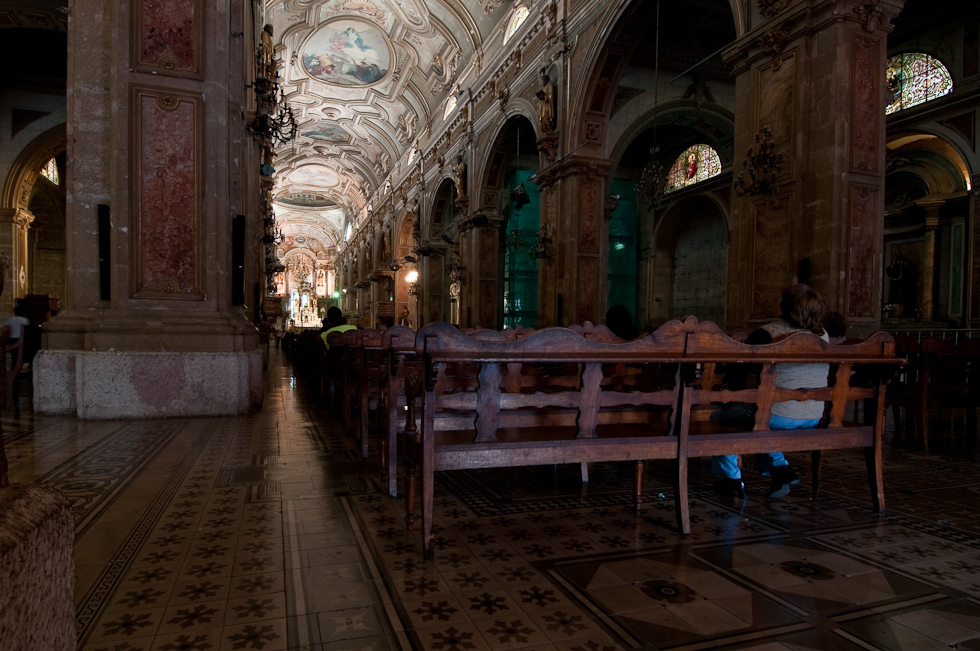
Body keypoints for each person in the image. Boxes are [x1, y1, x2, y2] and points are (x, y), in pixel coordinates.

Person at [712, 284, 830, 499]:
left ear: (786, 307)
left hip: (778, 413)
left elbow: (740, 369)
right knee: (759, 421)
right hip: (813, 414)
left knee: (720, 418)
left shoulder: (767, 333)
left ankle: (733, 479)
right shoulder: (822, 335)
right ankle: (780, 470)